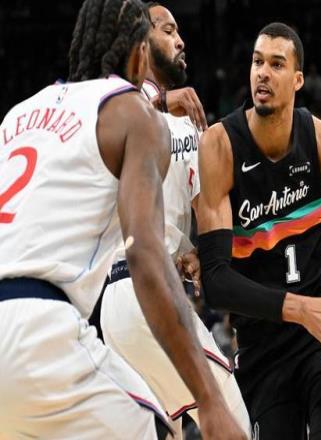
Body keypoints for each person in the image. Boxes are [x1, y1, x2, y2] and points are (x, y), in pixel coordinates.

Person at [0, 1, 245, 439]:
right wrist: (208, 402)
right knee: (190, 424)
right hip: (40, 330)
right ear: (139, 53)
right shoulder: (134, 113)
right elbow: (145, 255)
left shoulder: (17, 116)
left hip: (32, 325)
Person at [197, 22, 321, 438]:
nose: (263, 73)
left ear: (297, 80)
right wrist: (301, 309)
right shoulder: (220, 146)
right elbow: (216, 282)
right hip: (260, 345)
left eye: (277, 64)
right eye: (257, 62)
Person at [99, 4, 251, 438]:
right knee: (233, 420)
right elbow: (105, 116)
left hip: (127, 305)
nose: (181, 41)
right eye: (168, 31)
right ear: (141, 43)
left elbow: (204, 216)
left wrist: (196, 252)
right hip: (142, 289)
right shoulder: (119, 104)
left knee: (170, 430)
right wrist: (162, 99)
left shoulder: (192, 126)